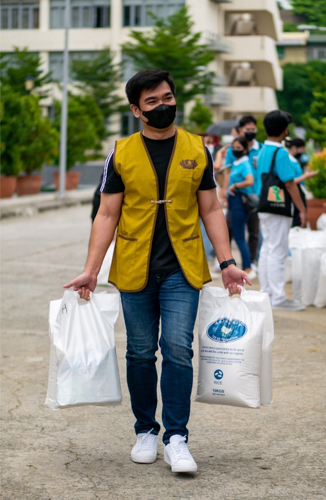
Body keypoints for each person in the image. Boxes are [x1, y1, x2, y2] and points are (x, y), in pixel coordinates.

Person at [63, 69, 251, 474]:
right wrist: (91, 269)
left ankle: (177, 438)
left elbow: (211, 208)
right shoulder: (122, 152)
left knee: (179, 350)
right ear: (136, 110)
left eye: (167, 97)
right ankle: (146, 430)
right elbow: (107, 213)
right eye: (152, 101)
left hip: (182, 268)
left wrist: (228, 262)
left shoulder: (196, 149)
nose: (163, 105)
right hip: (135, 268)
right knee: (140, 352)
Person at [256, 110, 307, 311]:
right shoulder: (281, 152)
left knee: (268, 248)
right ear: (285, 130)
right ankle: (277, 297)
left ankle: (267, 292)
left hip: (264, 205)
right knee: (277, 250)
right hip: (278, 207)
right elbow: (290, 184)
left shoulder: (262, 150)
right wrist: (301, 209)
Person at [224, 115, 263, 267]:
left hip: (254, 195)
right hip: (236, 197)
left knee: (253, 232)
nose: (251, 131)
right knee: (231, 229)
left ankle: (251, 262)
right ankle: (227, 260)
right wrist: (225, 191)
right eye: (248, 129)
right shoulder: (234, 150)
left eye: (253, 129)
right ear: (241, 130)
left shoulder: (260, 149)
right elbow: (227, 171)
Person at [222, 136, 256, 279]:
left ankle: (248, 267)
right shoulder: (236, 163)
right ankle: (247, 266)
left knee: (239, 237)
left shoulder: (244, 163)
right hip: (234, 201)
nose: (235, 150)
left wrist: (235, 186)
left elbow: (250, 180)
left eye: (238, 147)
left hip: (239, 202)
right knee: (238, 236)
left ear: (245, 149)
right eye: (233, 147)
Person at [286, 138, 318, 227]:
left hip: (299, 190)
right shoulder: (288, 161)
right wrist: (305, 176)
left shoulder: (295, 161)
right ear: (293, 148)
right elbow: (290, 181)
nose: (303, 151)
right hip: (294, 192)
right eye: (302, 149)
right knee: (296, 221)